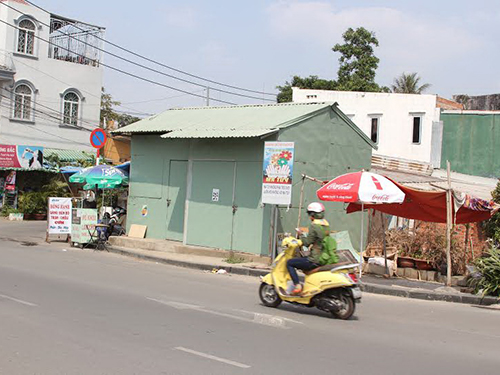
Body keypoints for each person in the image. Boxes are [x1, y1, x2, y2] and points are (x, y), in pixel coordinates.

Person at [287, 202, 330, 295]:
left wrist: (301, 234)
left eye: (310, 213)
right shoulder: (326, 224)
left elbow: (307, 243)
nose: (309, 216)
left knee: (289, 263)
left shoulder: (314, 225)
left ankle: (297, 286)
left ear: (313, 214)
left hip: (314, 259)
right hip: (325, 257)